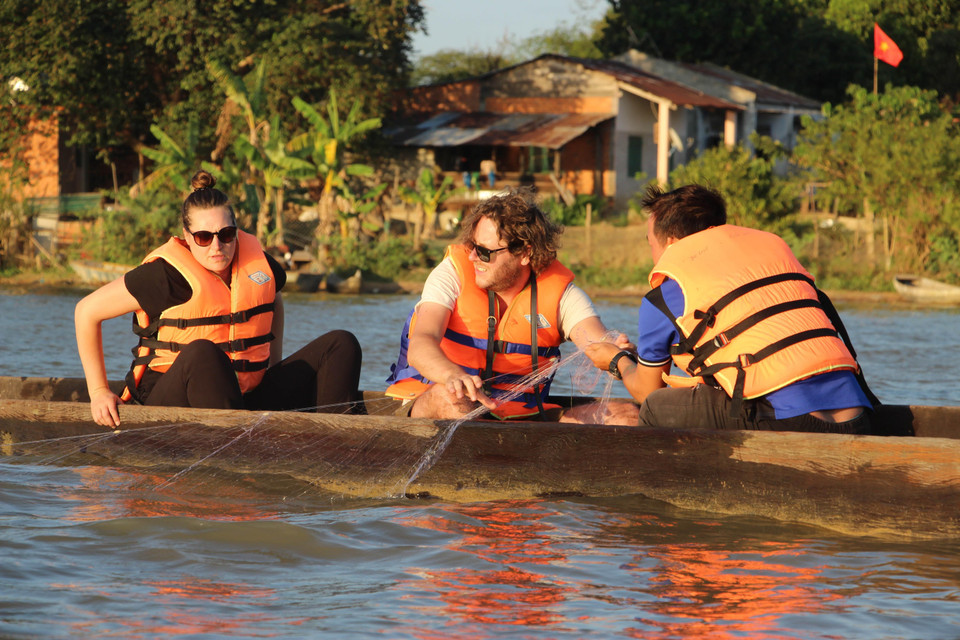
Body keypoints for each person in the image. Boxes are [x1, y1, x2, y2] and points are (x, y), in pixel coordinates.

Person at [75, 170, 363, 428]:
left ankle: (335, 440)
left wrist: (271, 365)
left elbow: (272, 298)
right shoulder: (162, 276)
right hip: (170, 399)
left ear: (236, 231)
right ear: (187, 237)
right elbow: (86, 312)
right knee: (204, 352)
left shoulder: (258, 265)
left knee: (341, 344)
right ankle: (236, 451)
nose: (217, 246)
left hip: (245, 397)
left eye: (226, 234)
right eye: (203, 237)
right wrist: (99, 391)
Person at [584, 184, 877, 433]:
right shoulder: (766, 260)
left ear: (671, 244)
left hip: (791, 421)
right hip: (860, 415)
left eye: (650, 243)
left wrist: (617, 361)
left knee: (658, 407)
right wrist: (640, 356)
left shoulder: (668, 292)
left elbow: (647, 391)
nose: (652, 254)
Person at [384, 189, 638, 424]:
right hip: (436, 403)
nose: (473, 257)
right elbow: (421, 343)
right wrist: (452, 375)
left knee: (626, 416)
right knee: (453, 400)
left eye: (485, 252)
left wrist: (618, 355)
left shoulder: (561, 295)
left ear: (525, 253)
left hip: (522, 416)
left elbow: (597, 342)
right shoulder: (451, 275)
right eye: (472, 246)